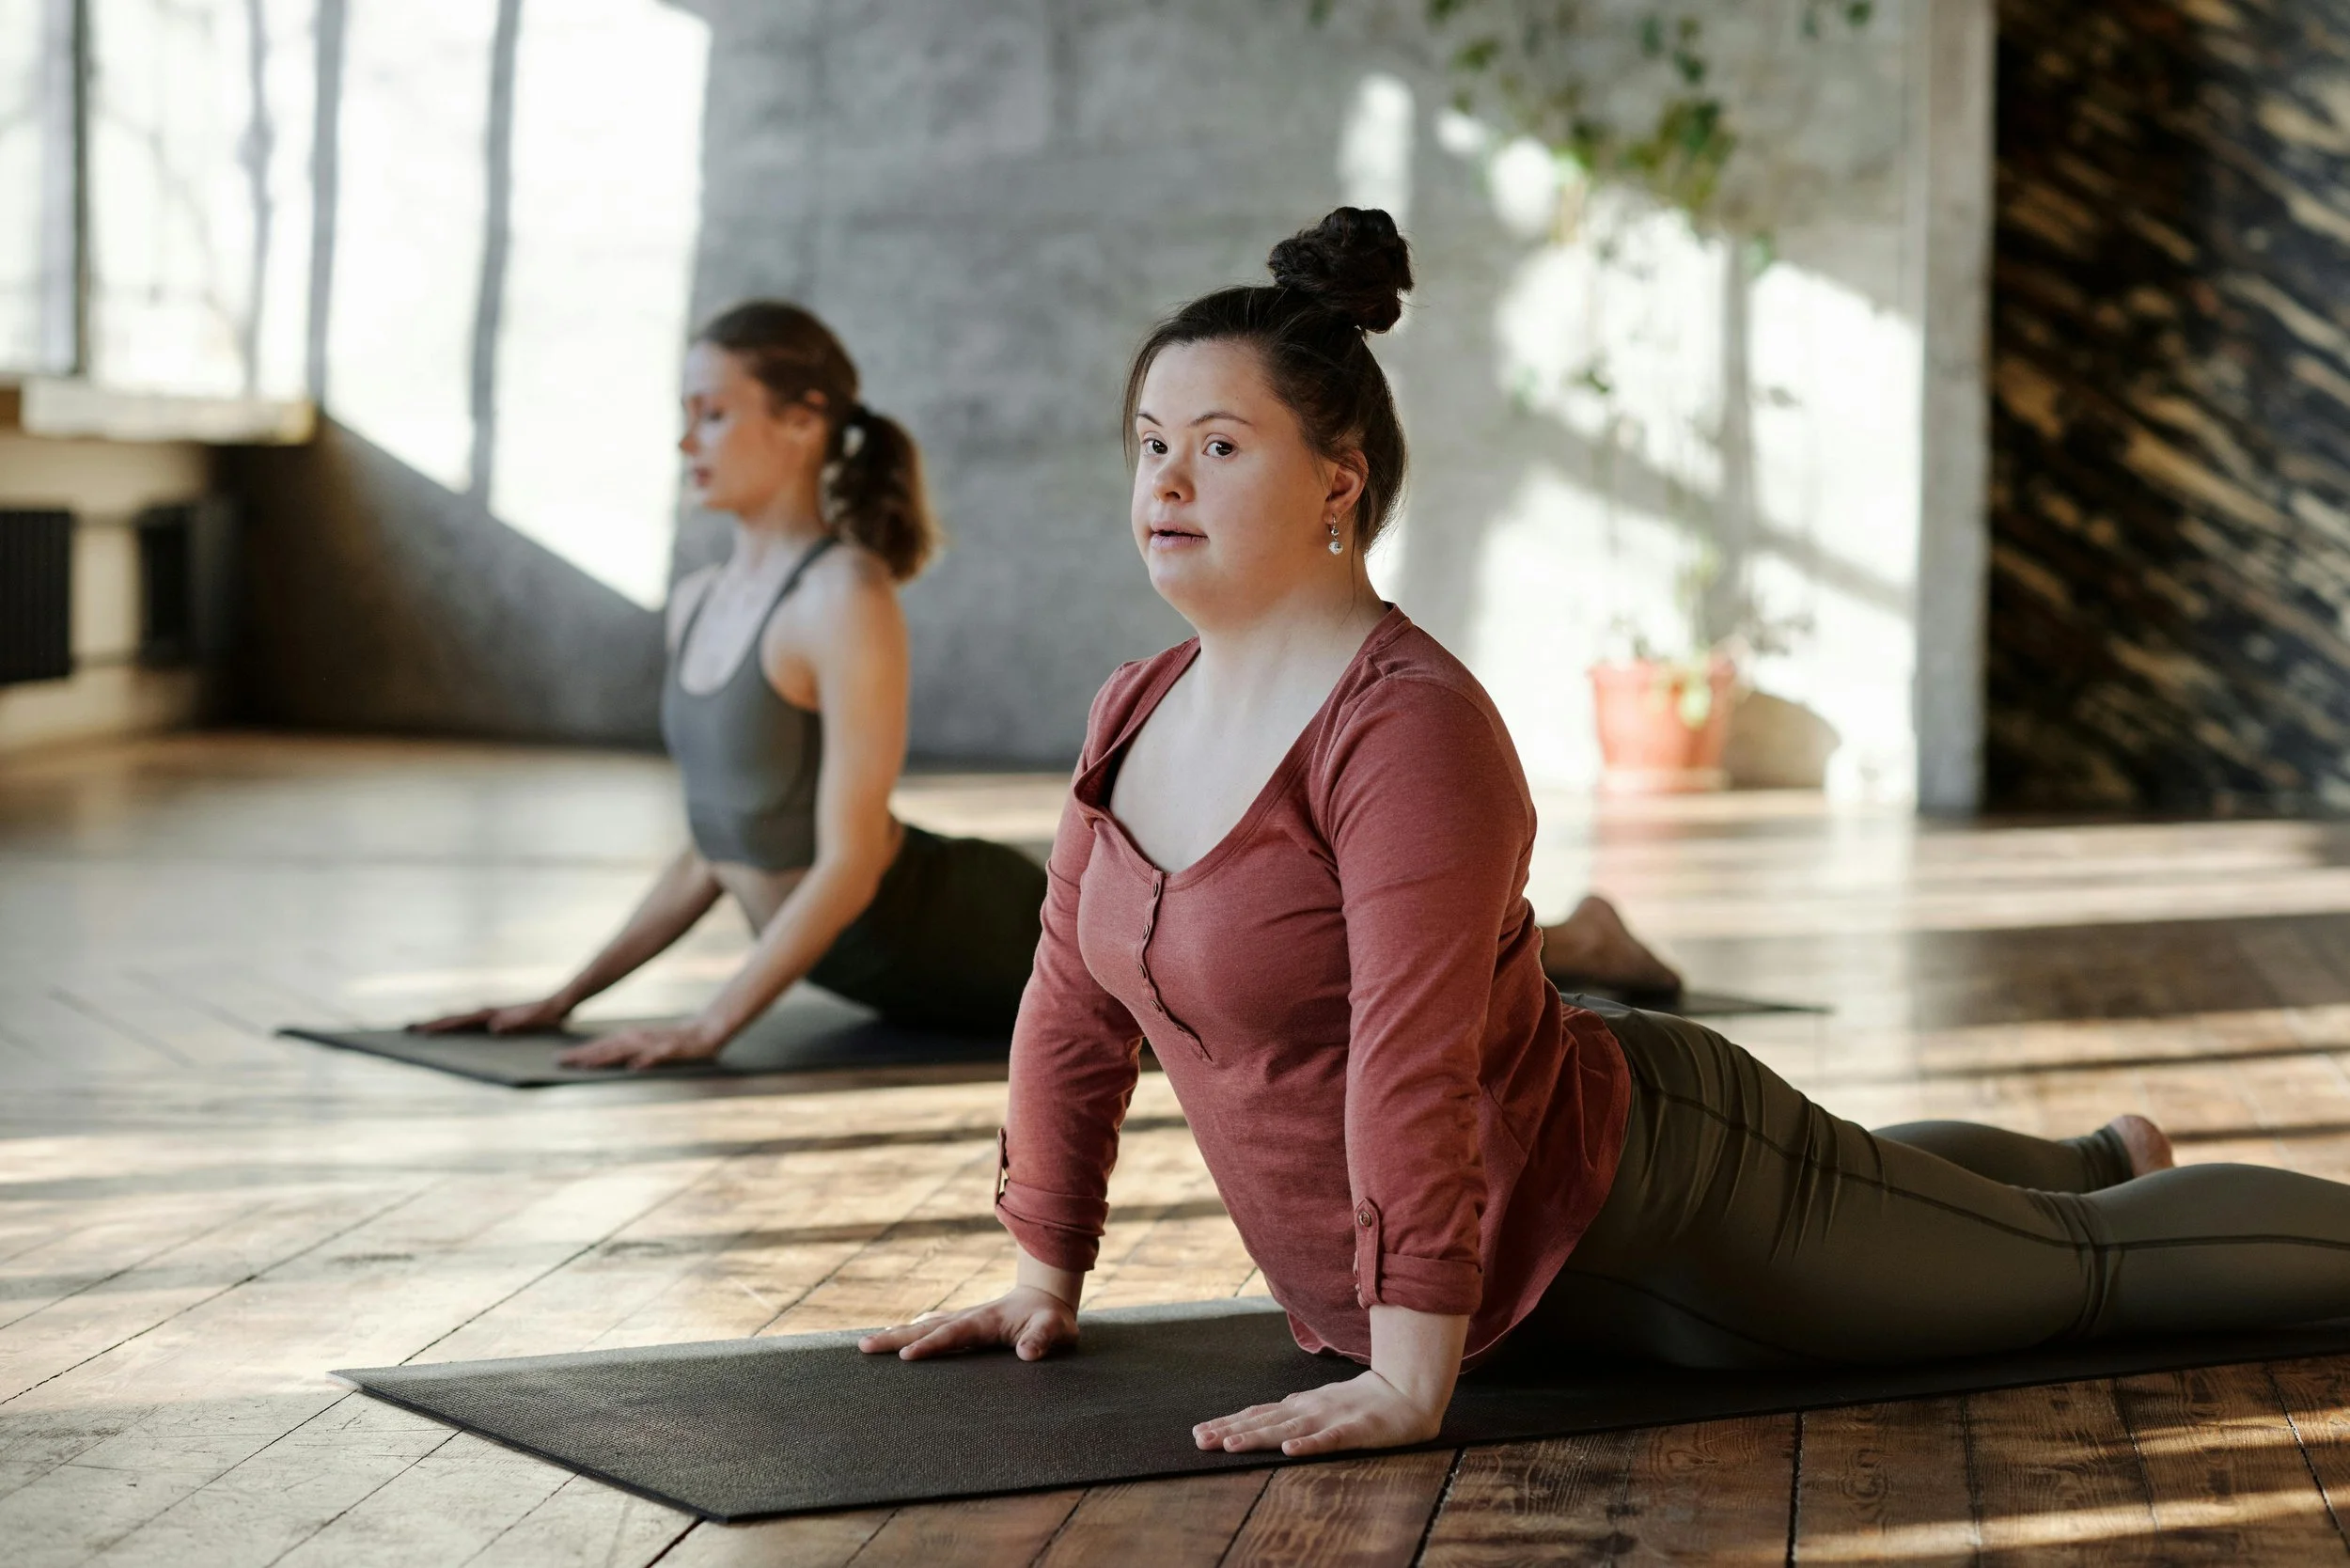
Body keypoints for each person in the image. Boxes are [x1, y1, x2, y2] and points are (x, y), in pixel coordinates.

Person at [857, 207, 2350, 1459]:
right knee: (1926, 1204)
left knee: (2088, 1281)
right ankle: (2097, 1152)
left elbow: (1412, 1054)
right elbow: (1067, 1002)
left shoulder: (1405, 727)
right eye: (1150, 443)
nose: (1166, 481)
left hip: (1650, 1213)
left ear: (1338, 480)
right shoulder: (1135, 705)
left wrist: (1409, 1372)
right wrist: (1043, 1272)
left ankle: (2104, 1194)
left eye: (1222, 446)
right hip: (1483, 1264)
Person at [417, 303, 1048, 1065]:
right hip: (886, 972)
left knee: (1195, 1005)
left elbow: (849, 865)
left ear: (803, 421)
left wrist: (709, 1026)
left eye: (713, 414)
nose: (687, 441)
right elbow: (712, 851)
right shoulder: (697, 602)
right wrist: (565, 999)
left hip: (987, 934)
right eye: (685, 416)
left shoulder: (843, 595)